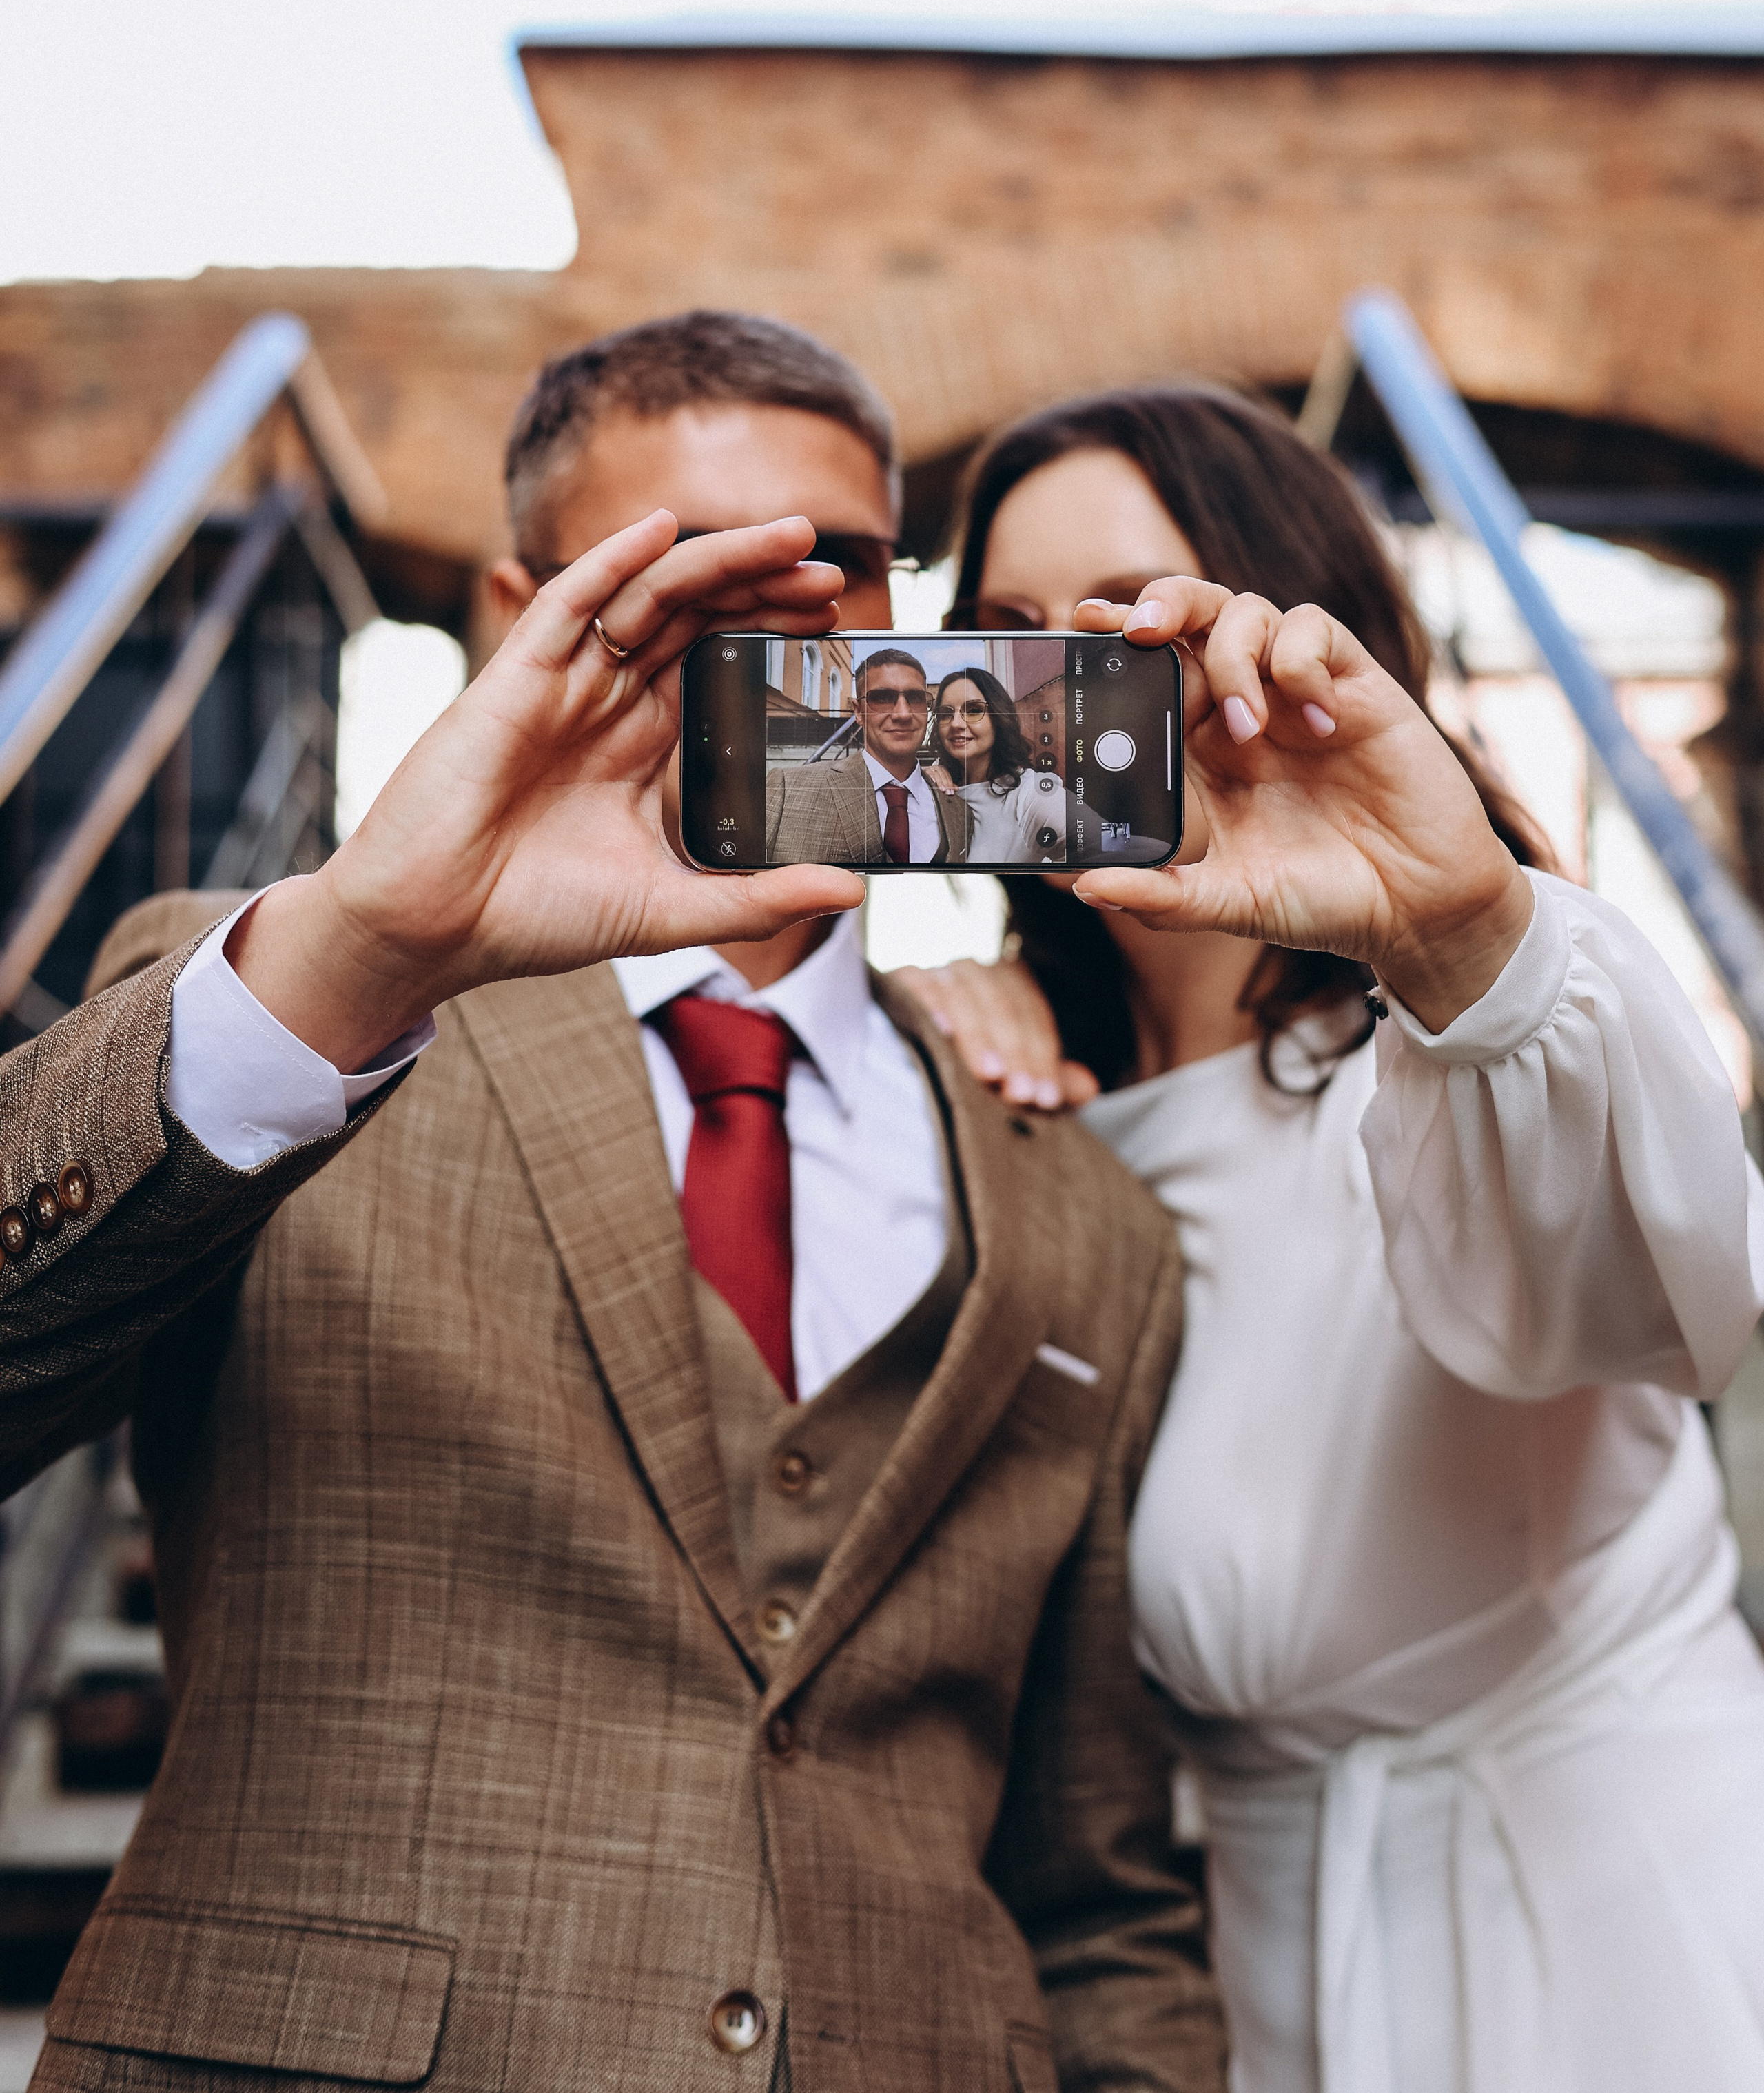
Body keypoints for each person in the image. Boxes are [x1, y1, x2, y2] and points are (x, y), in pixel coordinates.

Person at [0, 317, 1223, 2093]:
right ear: (518, 609)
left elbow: (1097, 1895)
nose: (783, 615)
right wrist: (365, 948)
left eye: (836, 560)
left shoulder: (1076, 1198)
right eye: (686, 567)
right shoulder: (269, 1002)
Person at [896, 382, 1764, 2093]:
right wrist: (913, 1048)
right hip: (1242, 1969)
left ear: (1284, 630)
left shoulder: (1464, 1026)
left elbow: (1643, 1283)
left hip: (1607, 1932)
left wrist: (1451, 934)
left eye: (1126, 620)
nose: (1057, 689)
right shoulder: (1003, 1082)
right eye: (1002, 635)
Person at [765, 645, 972, 866]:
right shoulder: (788, 790)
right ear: (858, 712)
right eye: (882, 698)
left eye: (915, 698)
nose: (903, 713)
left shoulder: (960, 811)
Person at [927, 664, 1071, 865]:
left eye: (974, 710)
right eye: (945, 714)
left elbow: (1109, 848)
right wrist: (919, 784)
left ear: (999, 717)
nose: (956, 724)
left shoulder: (1029, 793)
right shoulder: (934, 782)